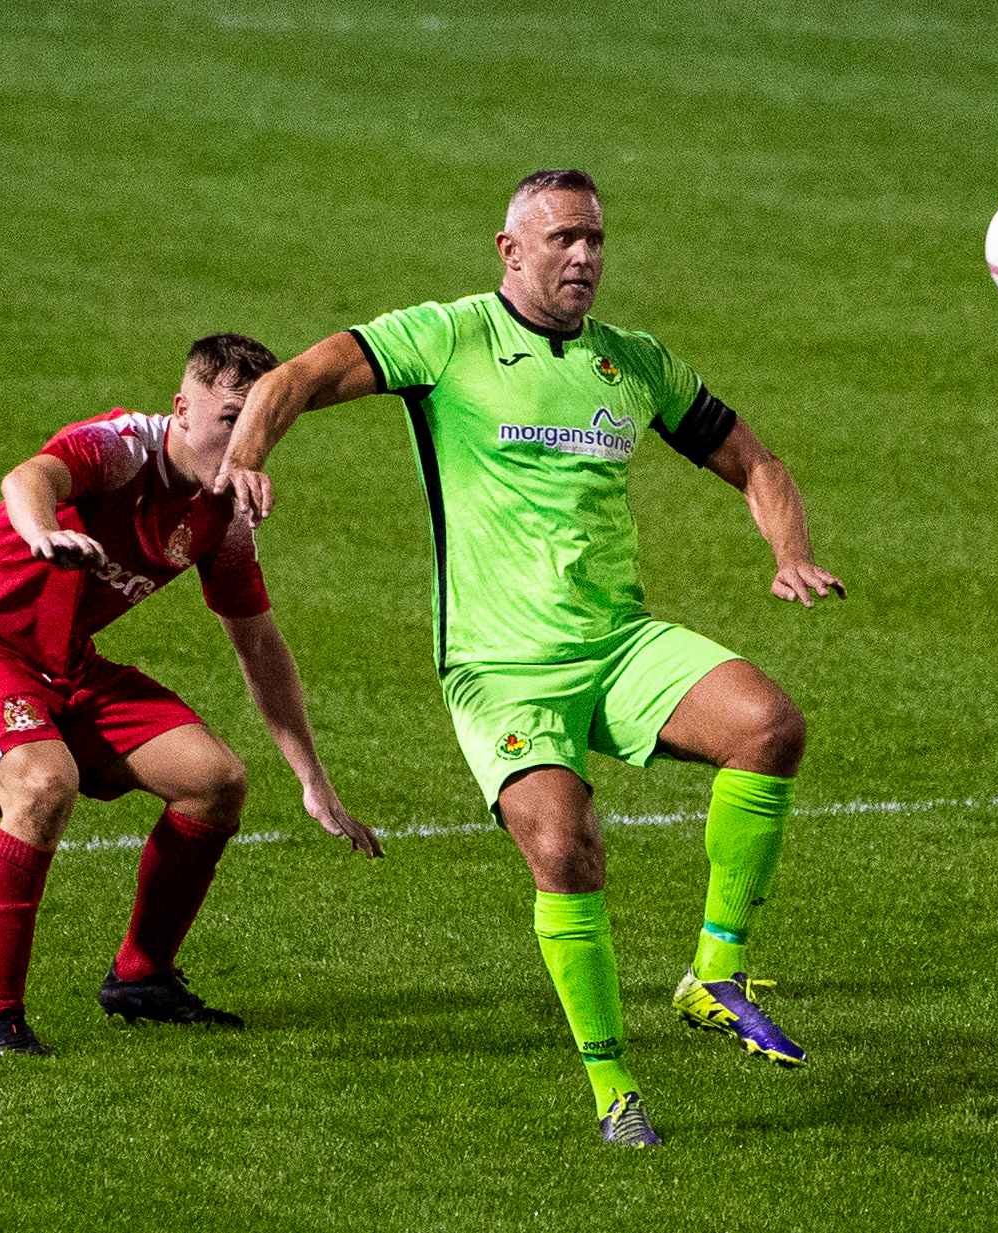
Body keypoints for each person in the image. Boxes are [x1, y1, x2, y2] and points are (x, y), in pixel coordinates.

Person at [213, 171, 845, 1145]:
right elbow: (291, 378)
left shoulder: (632, 363)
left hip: (617, 641)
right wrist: (248, 455)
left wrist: (789, 552)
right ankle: (613, 1088)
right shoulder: (446, 337)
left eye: (594, 238)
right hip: (499, 664)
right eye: (561, 240)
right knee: (564, 845)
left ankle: (714, 972)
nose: (583, 256)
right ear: (510, 250)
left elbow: (755, 461)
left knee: (769, 725)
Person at [0, 333, 382, 1057]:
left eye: (262, 419)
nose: (245, 438)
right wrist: (43, 533)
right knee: (42, 784)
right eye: (231, 417)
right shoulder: (125, 447)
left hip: (65, 663)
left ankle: (141, 976)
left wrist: (311, 778)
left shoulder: (225, 514)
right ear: (182, 407)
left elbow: (258, 643)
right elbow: (27, 477)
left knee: (214, 781)